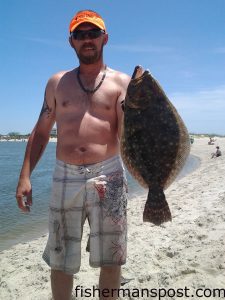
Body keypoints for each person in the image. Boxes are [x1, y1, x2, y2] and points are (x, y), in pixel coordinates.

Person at [16, 10, 131, 300]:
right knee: (60, 257)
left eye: (93, 33)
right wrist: (25, 176)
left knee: (111, 257)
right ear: (71, 42)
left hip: (110, 174)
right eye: (80, 35)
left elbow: (131, 137)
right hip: (64, 174)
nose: (87, 39)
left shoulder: (122, 84)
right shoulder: (57, 83)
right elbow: (41, 132)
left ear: (105, 38)